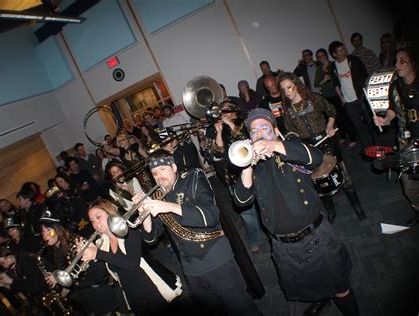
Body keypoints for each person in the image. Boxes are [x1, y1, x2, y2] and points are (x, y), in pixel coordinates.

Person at [233, 108, 359, 316]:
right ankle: (322, 300)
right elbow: (240, 201)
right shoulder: (253, 166)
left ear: (275, 130)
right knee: (307, 288)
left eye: (264, 128)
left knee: (340, 288)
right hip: (283, 245)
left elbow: (316, 158)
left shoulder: (289, 147)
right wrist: (246, 166)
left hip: (315, 236)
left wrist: (274, 146)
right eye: (254, 132)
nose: (259, 134)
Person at [134, 151, 260, 315]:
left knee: (241, 308)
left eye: (163, 169)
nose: (159, 176)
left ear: (173, 167)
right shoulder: (158, 195)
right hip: (189, 266)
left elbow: (211, 215)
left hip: (215, 256)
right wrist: (144, 213)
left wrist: (170, 207)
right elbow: (151, 239)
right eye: (155, 173)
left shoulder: (193, 177)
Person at [279, 72, 367, 222]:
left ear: (296, 85)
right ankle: (331, 211)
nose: (287, 92)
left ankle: (358, 207)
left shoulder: (312, 98)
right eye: (284, 90)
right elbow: (291, 132)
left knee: (344, 176)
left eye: (290, 87)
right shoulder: (286, 110)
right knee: (319, 181)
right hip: (309, 148)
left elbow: (331, 109)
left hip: (327, 142)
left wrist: (330, 125)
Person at [82, 199, 183, 315]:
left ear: (109, 213)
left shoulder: (127, 230)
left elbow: (132, 264)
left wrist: (98, 254)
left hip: (153, 289)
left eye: (98, 217)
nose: (95, 224)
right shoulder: (102, 244)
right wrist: (90, 258)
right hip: (134, 298)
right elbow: (98, 276)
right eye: (92, 221)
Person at [39, 208, 118, 315]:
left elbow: (98, 270)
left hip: (99, 293)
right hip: (87, 296)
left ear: (58, 229)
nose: (45, 235)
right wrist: (66, 289)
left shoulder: (76, 241)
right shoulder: (56, 249)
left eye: (49, 230)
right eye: (43, 231)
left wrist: (59, 277)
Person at [374, 46, 419, 227]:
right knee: (409, 186)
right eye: (396, 61)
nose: (397, 65)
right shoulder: (395, 86)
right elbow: (393, 110)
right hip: (406, 141)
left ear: (413, 64)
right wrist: (384, 121)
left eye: (403, 61)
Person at [213, 100, 262, 253]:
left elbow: (248, 140)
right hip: (233, 177)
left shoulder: (244, 123)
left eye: (226, 110)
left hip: (253, 173)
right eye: (221, 111)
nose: (223, 114)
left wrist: (230, 124)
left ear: (234, 111)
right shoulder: (224, 129)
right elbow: (218, 153)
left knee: (262, 204)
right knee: (246, 213)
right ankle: (254, 239)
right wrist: (219, 132)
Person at [329, 40, 373, 150]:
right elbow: (336, 85)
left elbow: (365, 75)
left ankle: (378, 145)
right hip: (348, 102)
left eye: (343, 49)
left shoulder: (354, 60)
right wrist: (342, 100)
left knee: (371, 123)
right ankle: (367, 149)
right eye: (340, 51)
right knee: (358, 127)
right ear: (334, 54)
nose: (344, 52)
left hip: (360, 97)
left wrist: (364, 93)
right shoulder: (333, 66)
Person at [314, 48, 357, 147]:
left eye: (321, 56)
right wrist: (324, 80)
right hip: (327, 97)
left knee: (344, 116)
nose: (320, 58)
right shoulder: (319, 69)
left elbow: (339, 80)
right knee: (335, 118)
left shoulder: (333, 65)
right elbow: (316, 84)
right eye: (318, 57)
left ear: (326, 55)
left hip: (337, 94)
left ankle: (353, 138)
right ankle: (342, 137)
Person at [0, 247, 47, 314]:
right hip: (38, 297)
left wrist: (11, 281)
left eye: (6, 259)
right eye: (2, 263)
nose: (5, 265)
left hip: (47, 290)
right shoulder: (13, 266)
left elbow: (36, 286)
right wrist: (5, 285)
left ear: (10, 255)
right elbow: (22, 286)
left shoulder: (25, 261)